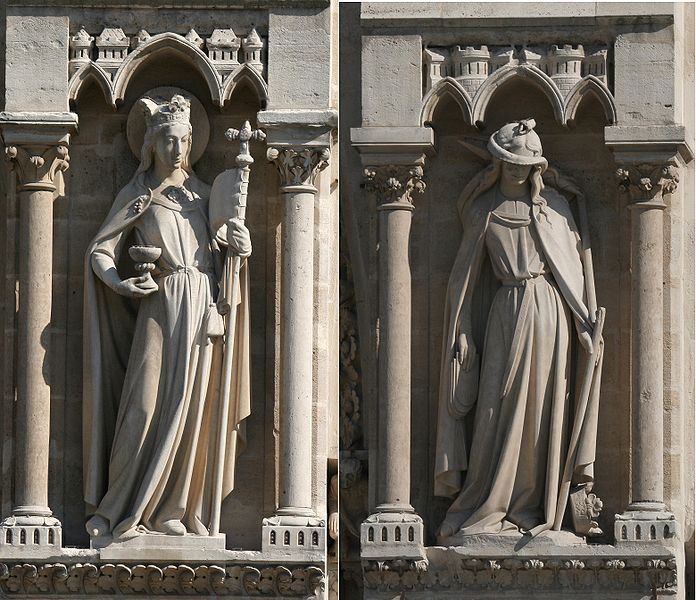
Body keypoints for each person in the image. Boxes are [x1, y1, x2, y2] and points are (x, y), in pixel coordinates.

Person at [83, 94, 251, 539]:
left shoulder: (205, 195)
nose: (177, 150)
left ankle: (173, 509)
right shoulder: (137, 195)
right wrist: (120, 283)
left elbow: (224, 258)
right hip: (159, 304)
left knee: (192, 407)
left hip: (201, 305)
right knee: (143, 405)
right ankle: (115, 509)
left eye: (184, 140)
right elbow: (101, 250)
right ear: (152, 145)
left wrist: (240, 247)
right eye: (169, 141)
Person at [434, 119, 603, 538]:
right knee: (494, 408)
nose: (514, 168)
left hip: (548, 313)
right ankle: (486, 499)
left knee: (540, 411)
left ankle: (529, 506)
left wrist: (584, 323)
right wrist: (462, 331)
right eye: (507, 161)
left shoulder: (554, 210)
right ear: (497, 161)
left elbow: (572, 272)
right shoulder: (483, 210)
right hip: (503, 312)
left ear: (535, 167)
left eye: (522, 163)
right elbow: (464, 283)